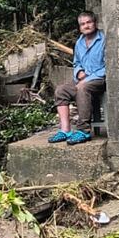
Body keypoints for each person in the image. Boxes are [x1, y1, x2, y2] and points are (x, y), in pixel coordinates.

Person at [50, 11, 106, 145]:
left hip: (101, 79)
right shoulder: (79, 43)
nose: (86, 26)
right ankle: (65, 130)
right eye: (82, 24)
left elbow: (109, 65)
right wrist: (78, 71)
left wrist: (88, 78)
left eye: (89, 22)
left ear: (95, 23)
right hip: (82, 79)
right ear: (80, 27)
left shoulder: (104, 40)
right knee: (61, 90)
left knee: (82, 88)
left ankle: (84, 131)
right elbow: (76, 63)